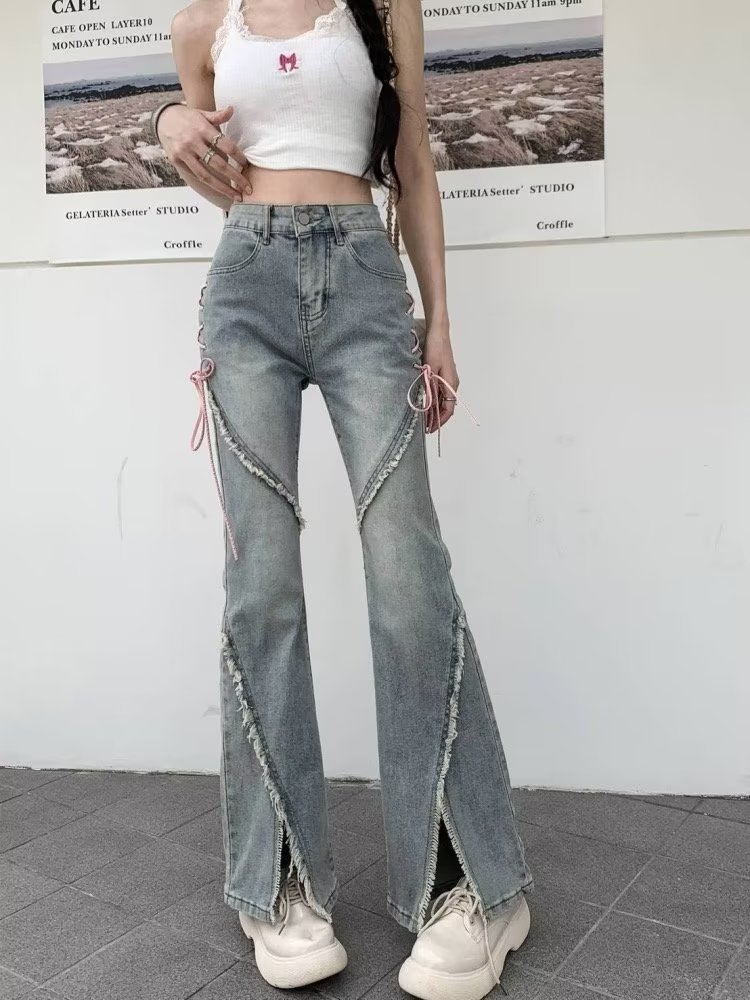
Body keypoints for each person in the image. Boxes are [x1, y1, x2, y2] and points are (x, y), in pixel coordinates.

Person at [155, 0, 534, 996]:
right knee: (262, 589)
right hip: (247, 285)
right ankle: (278, 882)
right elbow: (212, 168)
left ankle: (473, 884)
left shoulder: (382, 5)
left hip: (366, 275)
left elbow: (413, 161)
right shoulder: (201, 23)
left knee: (409, 576)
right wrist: (169, 122)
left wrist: (439, 322)